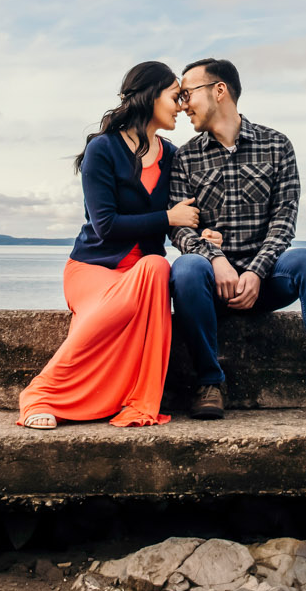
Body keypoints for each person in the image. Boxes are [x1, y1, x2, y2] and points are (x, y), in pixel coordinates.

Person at [167, 57, 306, 425]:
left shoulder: (277, 145)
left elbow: (284, 221)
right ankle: (209, 382)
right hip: (210, 284)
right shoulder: (184, 158)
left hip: (265, 282)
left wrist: (257, 272)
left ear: (219, 91)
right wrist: (215, 258)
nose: (182, 105)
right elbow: (180, 229)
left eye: (187, 94)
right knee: (184, 268)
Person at [18, 61, 200, 429]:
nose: (181, 105)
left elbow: (184, 215)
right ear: (150, 96)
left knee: (156, 266)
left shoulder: (174, 156)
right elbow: (106, 225)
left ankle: (128, 398)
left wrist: (202, 233)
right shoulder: (103, 149)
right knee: (109, 309)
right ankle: (39, 394)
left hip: (142, 275)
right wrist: (168, 218)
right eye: (174, 95)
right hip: (93, 269)